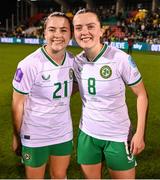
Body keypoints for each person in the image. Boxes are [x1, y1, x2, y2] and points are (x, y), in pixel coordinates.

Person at [73, 9, 148, 179]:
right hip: (87, 134)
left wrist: (140, 133)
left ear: (101, 30)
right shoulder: (76, 62)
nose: (84, 32)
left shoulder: (120, 59)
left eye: (90, 26)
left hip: (117, 136)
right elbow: (69, 91)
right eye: (78, 28)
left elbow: (141, 95)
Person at [12, 12, 74, 179]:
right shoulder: (29, 64)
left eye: (63, 30)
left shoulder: (73, 61)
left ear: (71, 34)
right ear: (44, 33)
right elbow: (17, 104)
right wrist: (17, 137)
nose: (58, 35)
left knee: (60, 176)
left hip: (63, 132)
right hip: (35, 134)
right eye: (52, 30)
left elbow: (73, 86)